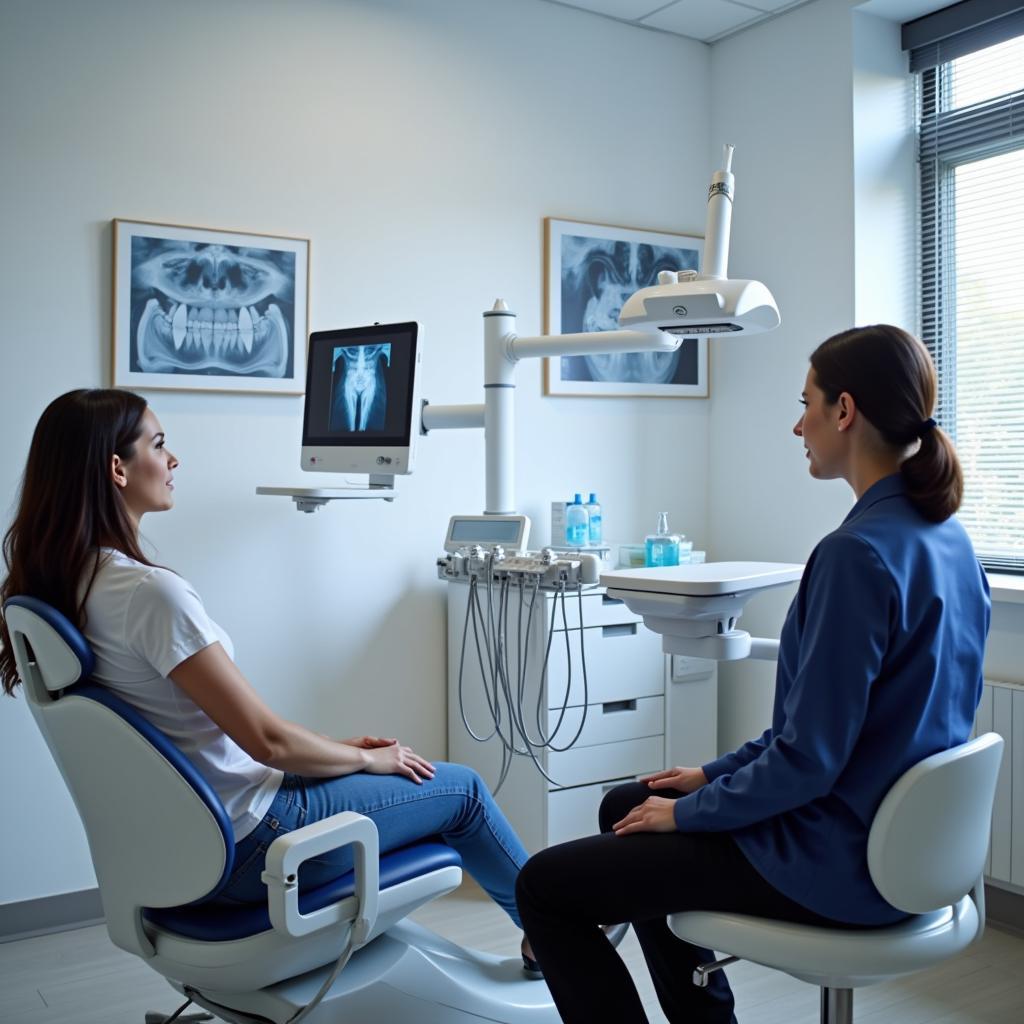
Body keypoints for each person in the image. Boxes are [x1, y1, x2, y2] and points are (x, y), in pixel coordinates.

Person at [515, 324, 991, 1023]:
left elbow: (809, 760)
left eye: (808, 403)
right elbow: (822, 735)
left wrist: (689, 813)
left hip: (841, 862)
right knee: (627, 805)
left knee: (545, 888)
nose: (798, 424)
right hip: (909, 854)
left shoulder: (855, 556)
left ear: (845, 411)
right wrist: (708, 778)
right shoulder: (951, 541)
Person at [0, 388, 538, 968]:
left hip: (187, 848)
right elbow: (266, 740)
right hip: (255, 843)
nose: (173, 460)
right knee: (461, 793)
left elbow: (230, 737)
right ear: (117, 468)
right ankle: (554, 934)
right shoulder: (148, 596)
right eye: (158, 445)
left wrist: (336, 748)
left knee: (417, 795)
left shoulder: (64, 588)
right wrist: (363, 761)